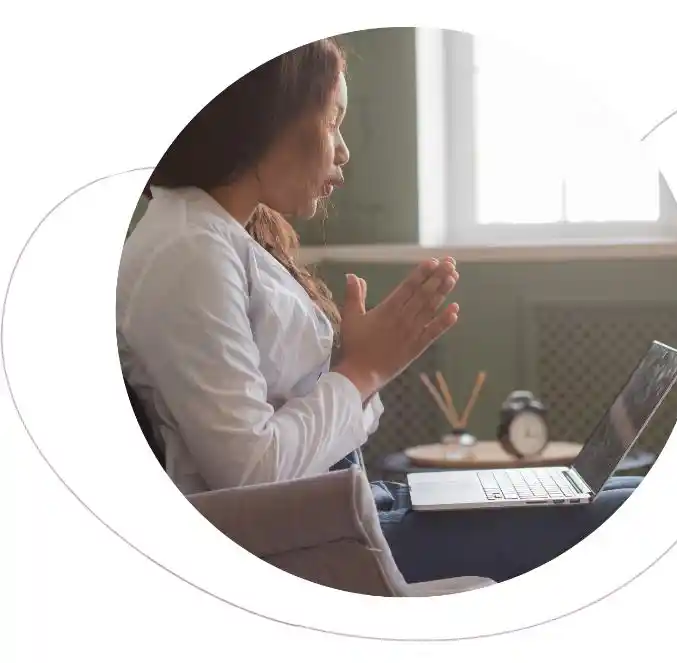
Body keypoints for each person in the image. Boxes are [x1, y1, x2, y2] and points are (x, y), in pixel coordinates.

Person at [117, 37, 640, 585]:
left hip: (351, 512)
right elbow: (251, 473)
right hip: (309, 549)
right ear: (264, 120)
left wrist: (363, 367)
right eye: (332, 121)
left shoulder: (220, 237)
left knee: (625, 490)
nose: (343, 150)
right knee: (626, 510)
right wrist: (364, 370)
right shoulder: (188, 251)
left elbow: (297, 423)